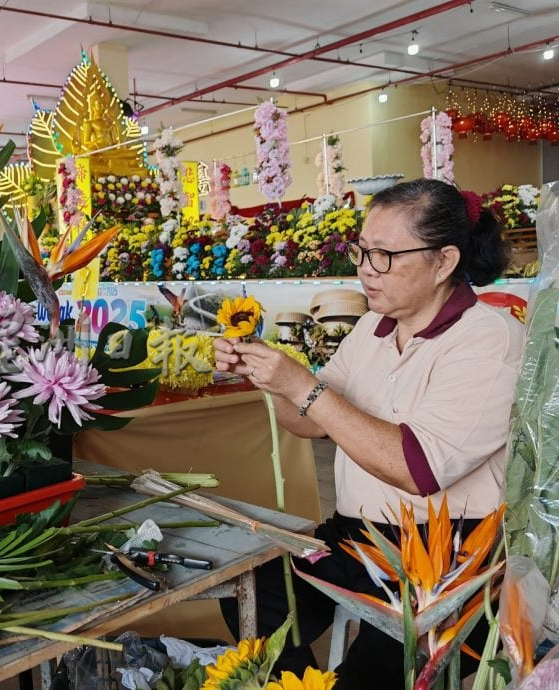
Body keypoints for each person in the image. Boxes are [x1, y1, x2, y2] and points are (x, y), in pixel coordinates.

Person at [214, 178, 525, 689]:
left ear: (444, 261)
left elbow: (415, 469)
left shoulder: (489, 340)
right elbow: (309, 423)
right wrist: (273, 379)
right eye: (361, 251)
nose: (365, 270)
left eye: (384, 256)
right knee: (253, 594)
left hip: (447, 558)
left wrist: (302, 385)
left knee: (380, 670)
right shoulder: (372, 329)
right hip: (358, 537)